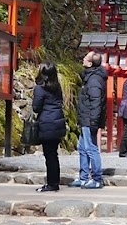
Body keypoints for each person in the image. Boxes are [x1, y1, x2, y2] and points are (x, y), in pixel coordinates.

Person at [30, 63, 67, 192]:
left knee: (49, 155)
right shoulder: (57, 87)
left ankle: (52, 184)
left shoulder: (40, 88)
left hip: (47, 123)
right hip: (58, 122)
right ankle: (54, 181)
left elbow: (36, 107)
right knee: (53, 155)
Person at [74, 51, 108, 188]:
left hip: (89, 118)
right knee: (82, 147)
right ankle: (83, 177)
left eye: (85, 57)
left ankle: (97, 178)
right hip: (85, 117)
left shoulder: (94, 80)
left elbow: (96, 102)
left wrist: (94, 121)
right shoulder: (90, 77)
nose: (83, 58)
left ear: (90, 63)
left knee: (91, 148)